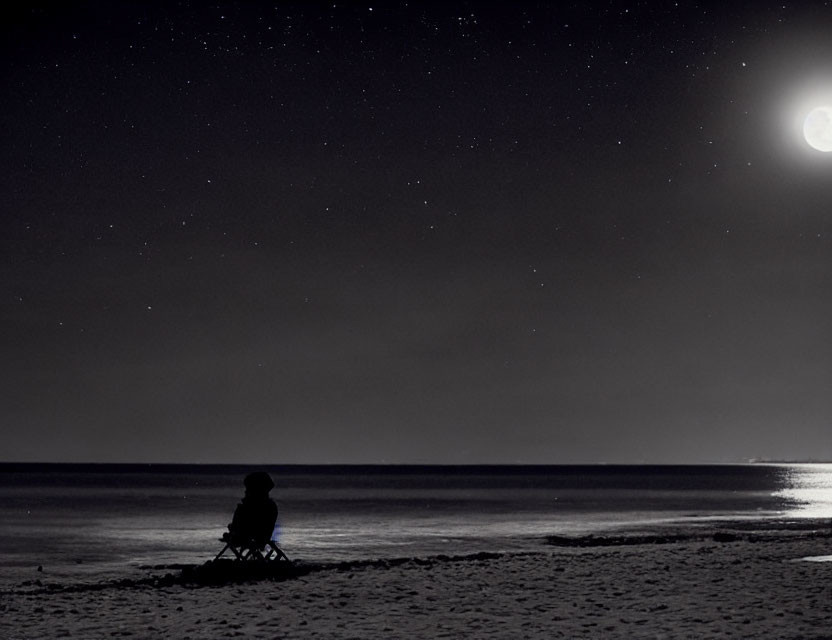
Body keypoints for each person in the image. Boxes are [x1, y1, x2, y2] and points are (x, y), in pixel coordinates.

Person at [224, 471, 278, 547]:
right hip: (261, 536)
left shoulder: (257, 506)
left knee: (240, 511)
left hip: (252, 535)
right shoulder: (270, 505)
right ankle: (236, 535)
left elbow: (251, 522)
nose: (246, 491)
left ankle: (236, 536)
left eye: (248, 489)